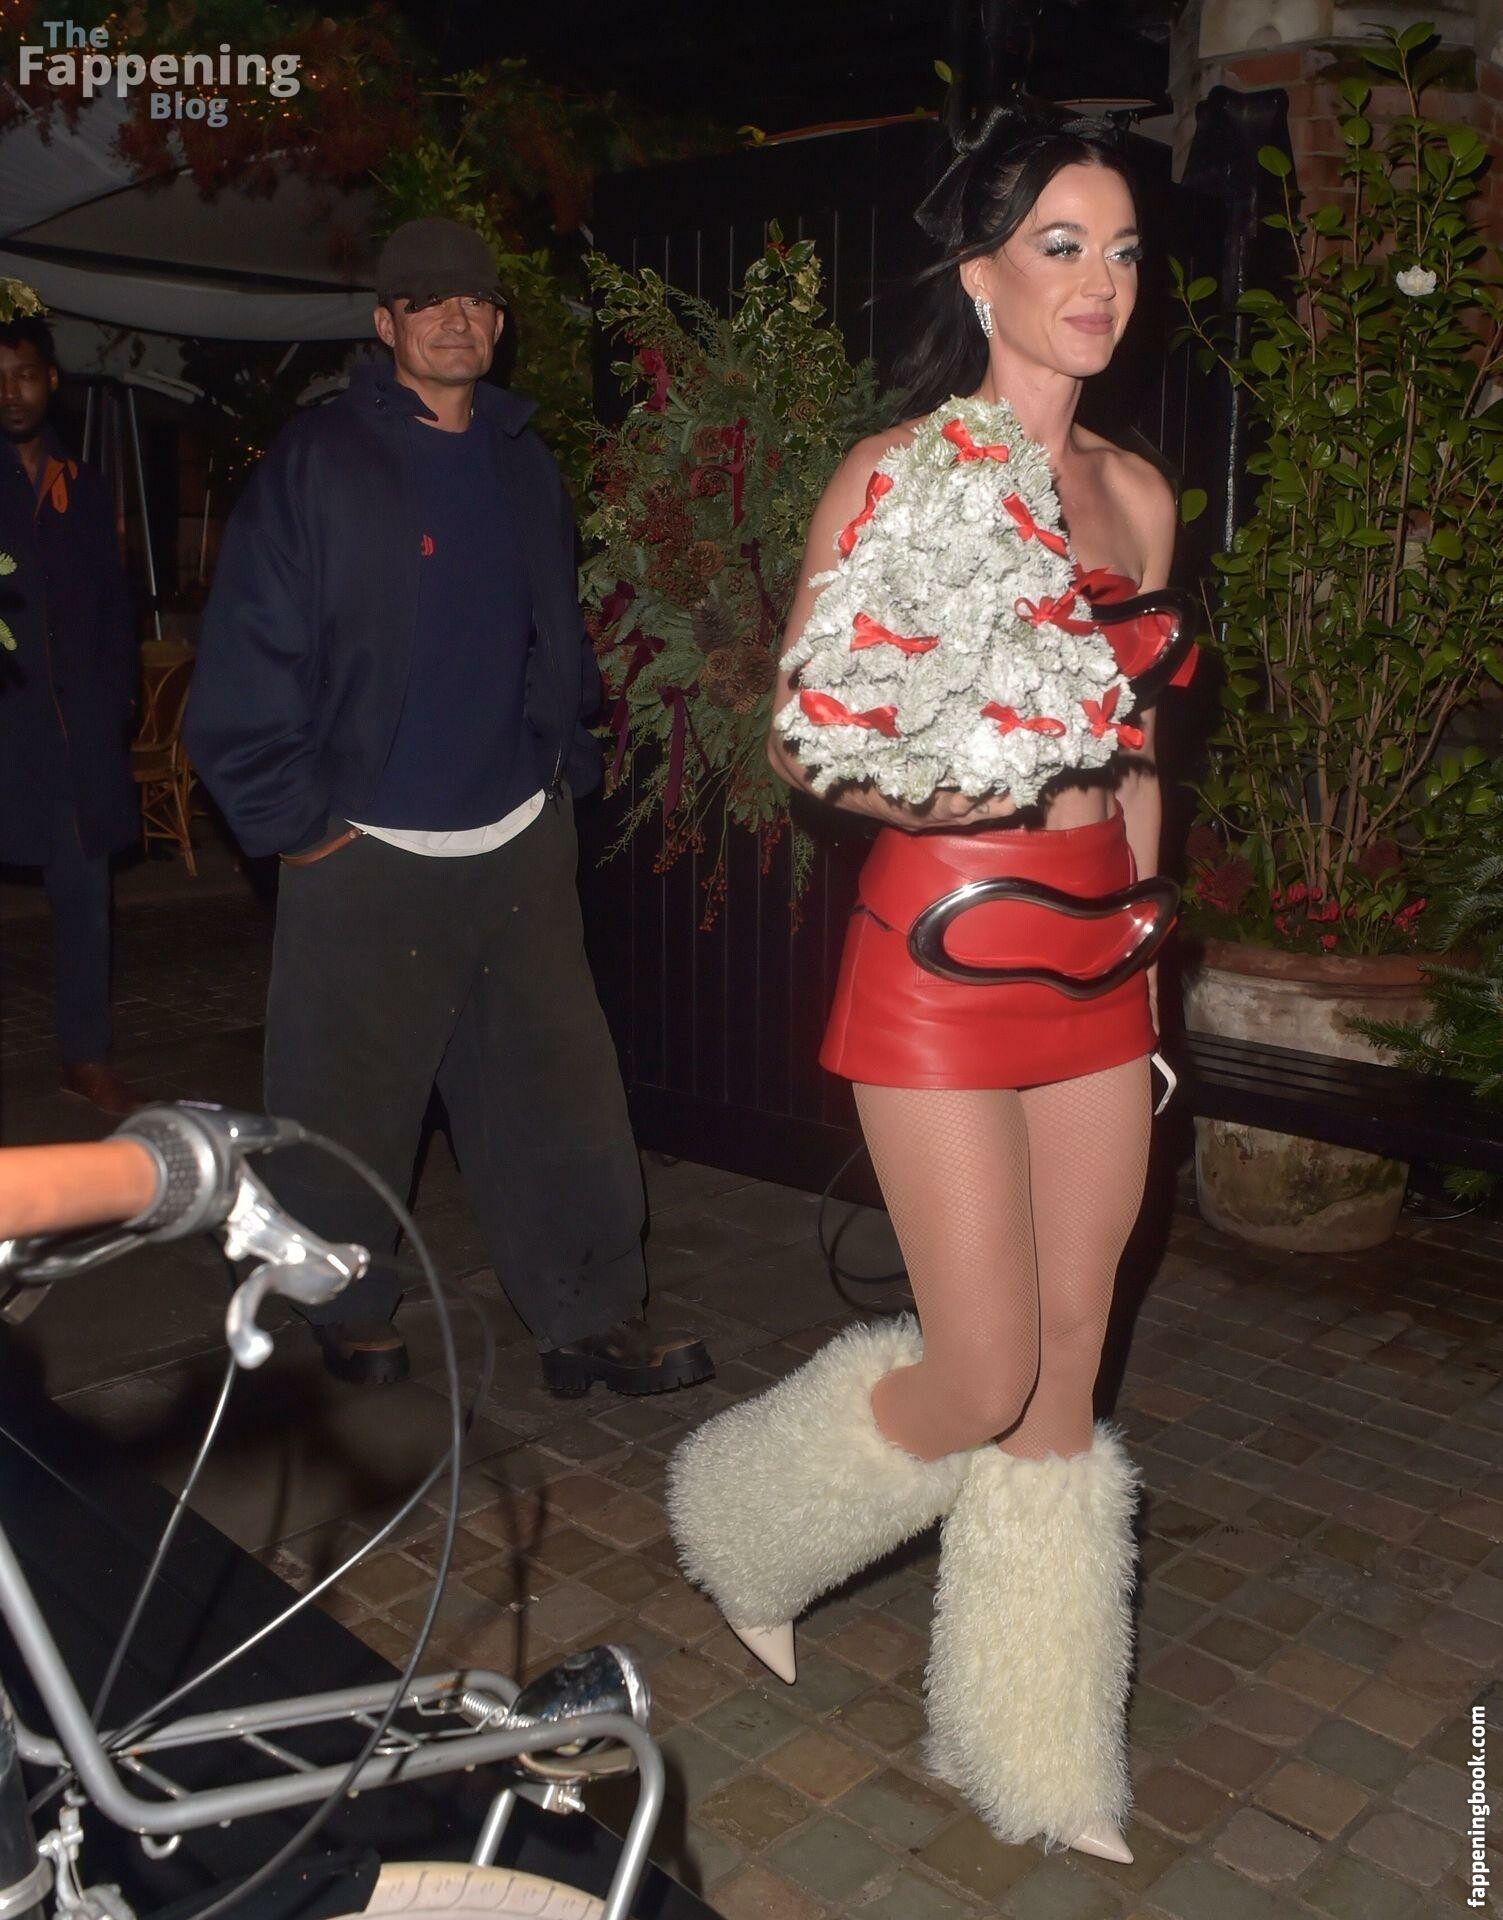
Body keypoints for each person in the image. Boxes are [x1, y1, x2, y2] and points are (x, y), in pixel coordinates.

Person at [669, 107, 1194, 1864]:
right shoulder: (893, 472)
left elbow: (1132, 752)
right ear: (978, 275)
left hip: (1096, 957)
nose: (1097, 282)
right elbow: (804, 742)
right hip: (938, 949)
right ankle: (748, 1526)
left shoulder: (1136, 495)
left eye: (1120, 251)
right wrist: (945, 785)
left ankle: (1033, 1754)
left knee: (1066, 1363)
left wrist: (1146, 946)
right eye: (1058, 245)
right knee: (976, 1368)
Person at [185, 217, 713, 1397]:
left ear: (499, 323)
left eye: (475, 300)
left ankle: (589, 1317)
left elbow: (550, 633)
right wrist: (300, 826)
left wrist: (563, 765)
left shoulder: (524, 463)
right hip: (363, 845)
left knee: (561, 1099)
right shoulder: (320, 461)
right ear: (387, 325)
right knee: (344, 1107)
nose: (455, 318)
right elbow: (246, 660)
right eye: (427, 302)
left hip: (518, 836)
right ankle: (339, 1306)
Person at [0, 317, 140, 1118]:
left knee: (86, 900)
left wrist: (113, 702)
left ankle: (85, 1056)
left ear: (50, 379)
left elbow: (112, 603)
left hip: (70, 734)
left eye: (24, 373)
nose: (10, 392)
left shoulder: (82, 485)